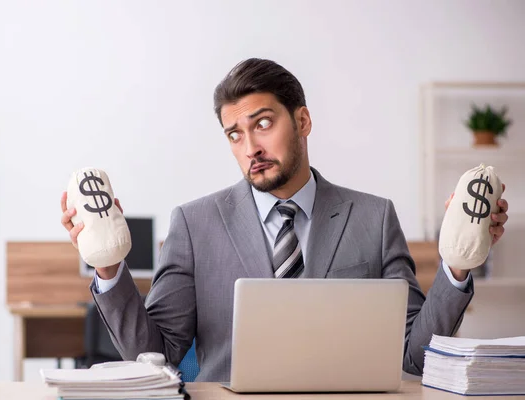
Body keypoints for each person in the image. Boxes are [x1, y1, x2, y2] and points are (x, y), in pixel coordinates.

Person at [60, 58, 509, 381]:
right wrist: (108, 268)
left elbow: (414, 358)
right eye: (235, 134)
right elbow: (154, 356)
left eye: (263, 124)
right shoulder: (194, 225)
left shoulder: (373, 218)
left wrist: (457, 266)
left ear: (302, 120)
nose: (250, 146)